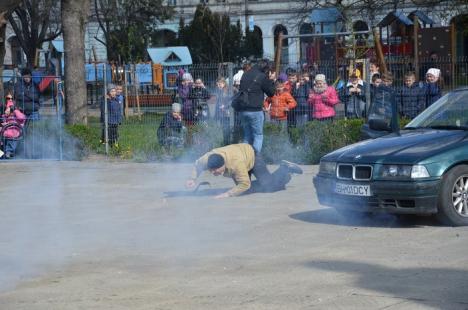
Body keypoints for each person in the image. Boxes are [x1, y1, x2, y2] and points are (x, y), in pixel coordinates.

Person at [185, 143, 303, 198]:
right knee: (245, 191)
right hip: (240, 153)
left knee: (268, 185)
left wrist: (227, 194)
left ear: (223, 164)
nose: (214, 173)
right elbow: (197, 166)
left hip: (252, 155)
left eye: (216, 170)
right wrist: (192, 178)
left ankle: (285, 169)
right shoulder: (206, 160)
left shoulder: (235, 164)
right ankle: (282, 175)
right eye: (211, 171)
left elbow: (245, 184)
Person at [236, 59, 276, 154]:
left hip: (243, 110)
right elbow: (271, 93)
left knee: (247, 136)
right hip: (255, 110)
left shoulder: (245, 74)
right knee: (258, 135)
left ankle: (245, 158)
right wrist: (271, 80)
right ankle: (255, 160)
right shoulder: (262, 76)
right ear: (266, 69)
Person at [0, 94, 26, 159]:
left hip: (14, 135)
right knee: (4, 147)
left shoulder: (18, 112)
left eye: (12, 98)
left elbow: (22, 118)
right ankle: (3, 155)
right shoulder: (5, 113)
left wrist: (14, 110)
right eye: (8, 98)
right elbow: (3, 121)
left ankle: (7, 155)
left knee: (9, 148)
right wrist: (5, 115)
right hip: (5, 134)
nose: (10, 100)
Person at [213, 77, 232, 145]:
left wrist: (226, 106)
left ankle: (230, 144)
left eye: (219, 84)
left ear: (224, 83)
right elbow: (218, 103)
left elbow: (233, 100)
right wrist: (216, 115)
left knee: (229, 130)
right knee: (224, 131)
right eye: (217, 85)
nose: (218, 86)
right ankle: (226, 144)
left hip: (229, 114)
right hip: (222, 114)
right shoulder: (220, 91)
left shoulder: (230, 90)